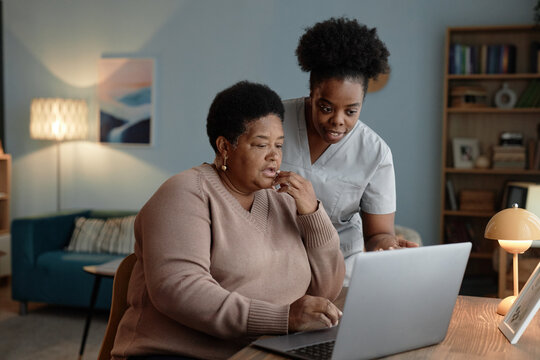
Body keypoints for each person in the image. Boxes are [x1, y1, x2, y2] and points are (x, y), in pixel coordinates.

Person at [111, 81, 345, 360]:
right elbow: (178, 290)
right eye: (261, 145)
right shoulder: (185, 193)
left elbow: (326, 292)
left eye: (279, 145)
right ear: (225, 147)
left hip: (265, 349)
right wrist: (283, 318)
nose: (275, 156)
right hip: (178, 353)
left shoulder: (285, 199)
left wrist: (312, 214)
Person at [280, 17, 418, 284]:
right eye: (326, 107)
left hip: (338, 272)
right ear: (311, 93)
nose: (338, 121)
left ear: (363, 102)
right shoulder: (274, 121)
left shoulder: (375, 154)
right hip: (275, 265)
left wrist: (387, 246)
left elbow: (378, 234)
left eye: (351, 111)